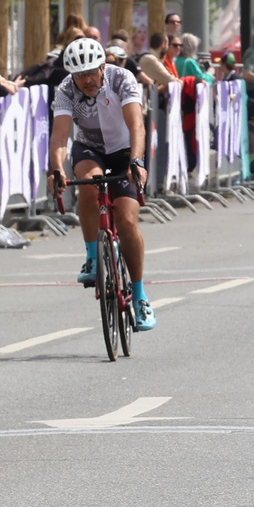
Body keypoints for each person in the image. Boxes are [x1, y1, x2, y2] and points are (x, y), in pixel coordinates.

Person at [49, 36, 154, 332]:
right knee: (88, 184)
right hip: (90, 149)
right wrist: (57, 169)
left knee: (126, 220)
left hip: (124, 151)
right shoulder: (66, 90)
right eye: (78, 74)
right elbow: (59, 137)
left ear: (102, 67)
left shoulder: (122, 79)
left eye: (90, 72)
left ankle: (140, 295)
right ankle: (93, 257)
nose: (85, 80)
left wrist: (137, 161)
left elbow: (136, 125)